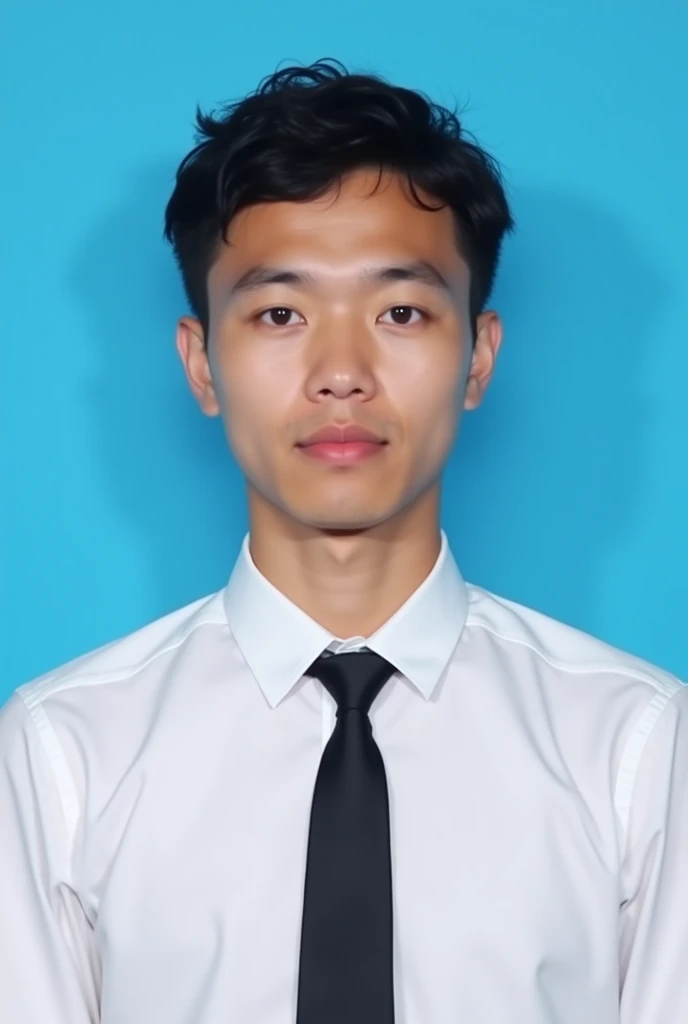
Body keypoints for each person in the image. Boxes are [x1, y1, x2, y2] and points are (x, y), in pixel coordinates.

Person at [0, 57, 686, 1024]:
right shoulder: (64, 749)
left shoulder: (639, 746)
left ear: (479, 356)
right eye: (280, 313)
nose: (341, 373)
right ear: (201, 364)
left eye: (400, 312)